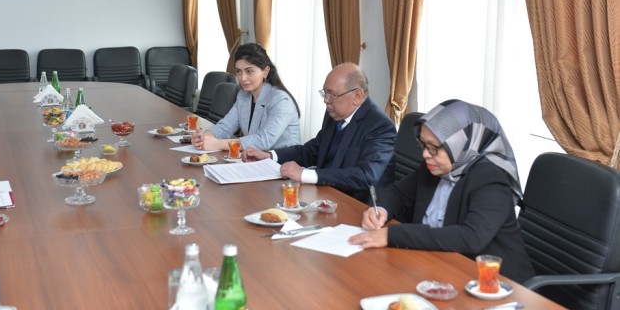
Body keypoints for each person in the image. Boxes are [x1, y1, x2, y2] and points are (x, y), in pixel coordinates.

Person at [348, 99, 535, 283]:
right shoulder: (436, 166)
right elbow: (398, 193)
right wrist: (381, 209)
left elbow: (470, 238)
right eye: (423, 145)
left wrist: (392, 235)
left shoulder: (491, 180)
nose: (425, 154)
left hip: (494, 284)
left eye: (434, 148)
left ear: (461, 145)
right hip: (439, 267)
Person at [244, 62, 397, 203]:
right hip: (325, 196)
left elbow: (365, 176)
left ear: (357, 95)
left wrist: (304, 174)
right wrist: (270, 156)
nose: (326, 100)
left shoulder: (380, 126)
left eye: (332, 95)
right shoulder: (335, 115)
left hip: (358, 206)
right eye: (325, 93)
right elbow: (311, 151)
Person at [193, 43, 301, 152]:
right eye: (238, 71)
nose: (243, 78)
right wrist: (205, 137)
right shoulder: (243, 95)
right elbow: (226, 126)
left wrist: (217, 144)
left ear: (265, 72)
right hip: (255, 158)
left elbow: (263, 141)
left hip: (283, 161)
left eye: (249, 71)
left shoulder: (281, 100)